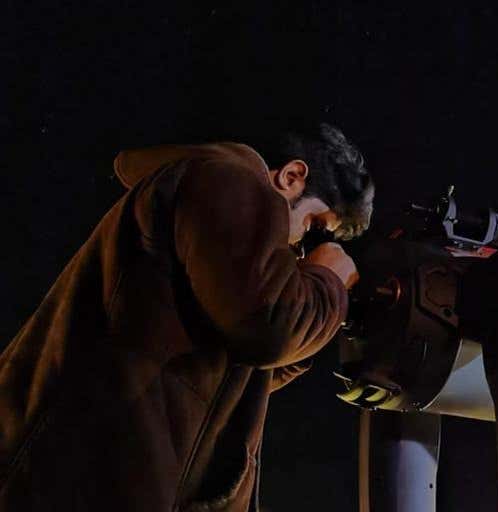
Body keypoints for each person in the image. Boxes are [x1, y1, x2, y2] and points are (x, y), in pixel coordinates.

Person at [0, 123, 374, 511]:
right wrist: (327, 279)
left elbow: (239, 373)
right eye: (313, 227)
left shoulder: (212, 210)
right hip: (81, 478)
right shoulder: (232, 181)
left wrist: (312, 314)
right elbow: (268, 327)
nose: (299, 245)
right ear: (291, 176)